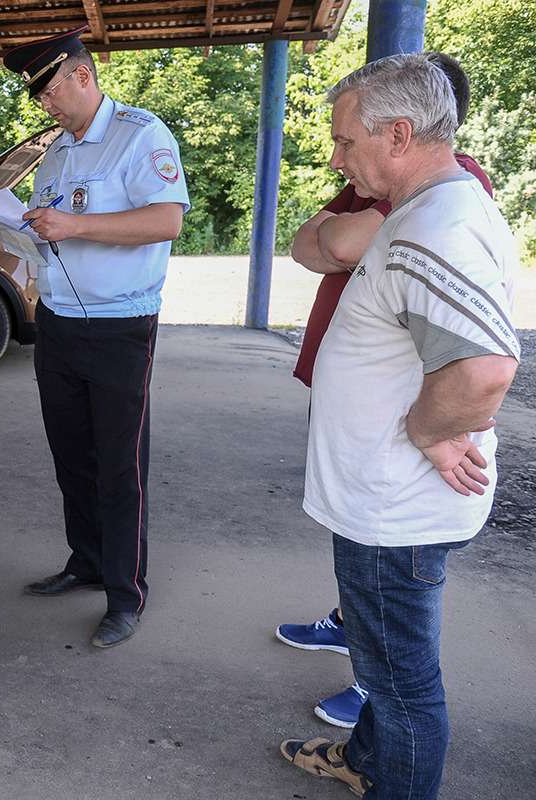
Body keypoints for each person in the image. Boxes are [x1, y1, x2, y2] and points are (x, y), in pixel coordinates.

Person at [278, 53, 521, 799]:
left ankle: (393, 781)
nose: (335, 156)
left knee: (403, 684)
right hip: (386, 505)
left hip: (395, 509)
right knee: (387, 667)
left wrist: (427, 431)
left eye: (345, 141)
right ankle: (367, 762)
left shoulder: (435, 226)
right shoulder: (425, 208)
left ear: (399, 134)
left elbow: (483, 371)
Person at [0, 27, 189, 648]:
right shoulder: (57, 153)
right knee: (72, 455)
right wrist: (2, 235)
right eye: (37, 96)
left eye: (49, 89)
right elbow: (47, 238)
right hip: (59, 323)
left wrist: (76, 223)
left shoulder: (139, 136)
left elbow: (166, 219)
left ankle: (126, 594)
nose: (44, 103)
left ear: (82, 75)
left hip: (120, 327)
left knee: (121, 467)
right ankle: (86, 562)